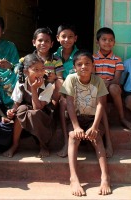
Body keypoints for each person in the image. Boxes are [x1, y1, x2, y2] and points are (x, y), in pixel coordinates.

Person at [60, 49, 111, 196]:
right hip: (76, 117)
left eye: (87, 63)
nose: (83, 67)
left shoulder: (98, 81)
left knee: (97, 137)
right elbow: (69, 103)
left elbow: (101, 105)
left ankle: (105, 177)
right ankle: (74, 178)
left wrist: (95, 127)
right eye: (79, 64)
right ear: (75, 67)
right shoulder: (71, 79)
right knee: (73, 137)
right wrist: (76, 127)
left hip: (91, 118)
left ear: (93, 66)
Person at [3, 53, 55, 158]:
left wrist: (34, 89)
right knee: (21, 109)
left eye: (42, 69)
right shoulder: (21, 83)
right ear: (26, 71)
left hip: (43, 115)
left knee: (33, 113)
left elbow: (38, 108)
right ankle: (15, 144)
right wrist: (11, 111)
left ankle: (43, 145)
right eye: (36, 70)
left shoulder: (48, 85)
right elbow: (16, 103)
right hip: (27, 112)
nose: (40, 72)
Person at [93, 27, 131, 131]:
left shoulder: (117, 59)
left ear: (114, 42)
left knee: (114, 88)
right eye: (104, 39)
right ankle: (101, 122)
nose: (108, 42)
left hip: (111, 90)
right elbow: (92, 77)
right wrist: (101, 84)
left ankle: (122, 118)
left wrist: (107, 83)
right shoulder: (92, 58)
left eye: (111, 40)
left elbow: (117, 79)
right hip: (98, 90)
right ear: (97, 42)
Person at [54, 23, 79, 157]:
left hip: (76, 90)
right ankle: (65, 140)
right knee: (59, 87)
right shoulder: (54, 56)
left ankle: (67, 142)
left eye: (70, 37)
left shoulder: (79, 56)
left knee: (65, 101)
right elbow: (56, 77)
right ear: (57, 38)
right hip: (60, 90)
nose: (67, 40)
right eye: (63, 36)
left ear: (75, 38)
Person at [32, 27, 64, 107]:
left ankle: (52, 106)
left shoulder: (56, 59)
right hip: (34, 86)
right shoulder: (29, 59)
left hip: (50, 89)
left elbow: (60, 77)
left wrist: (54, 77)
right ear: (34, 42)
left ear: (51, 44)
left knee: (60, 82)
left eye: (47, 41)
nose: (43, 43)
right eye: (40, 40)